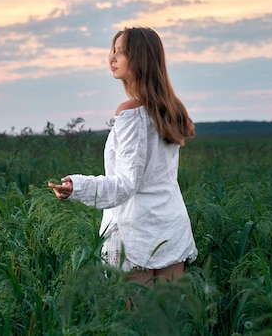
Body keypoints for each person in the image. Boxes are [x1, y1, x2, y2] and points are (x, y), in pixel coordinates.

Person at [48, 26, 197, 286]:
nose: (112, 58)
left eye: (121, 52)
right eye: (112, 50)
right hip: (171, 225)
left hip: (134, 230)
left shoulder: (132, 113)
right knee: (166, 322)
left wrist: (78, 187)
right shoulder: (170, 111)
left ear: (139, 59)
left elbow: (127, 184)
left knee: (133, 323)